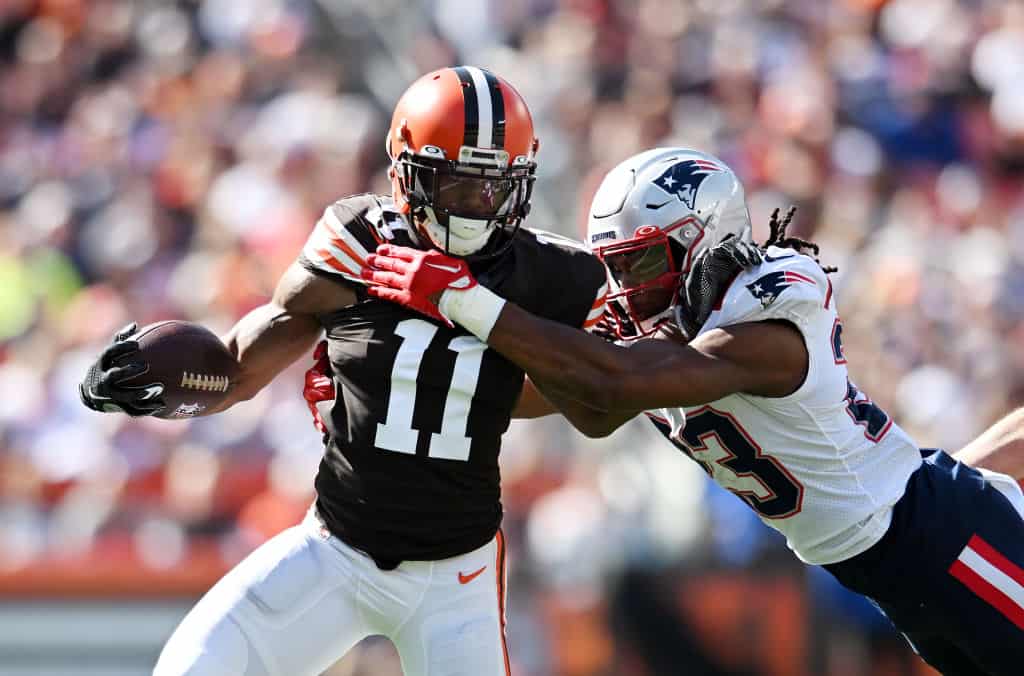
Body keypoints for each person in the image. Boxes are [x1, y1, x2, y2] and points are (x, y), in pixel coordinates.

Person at [363, 147, 1024, 675]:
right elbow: (587, 405)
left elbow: (615, 383)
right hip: (892, 567)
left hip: (936, 538)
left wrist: (468, 301)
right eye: (616, 267)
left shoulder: (765, 313)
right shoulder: (659, 341)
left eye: (643, 261)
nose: (626, 286)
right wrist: (426, 373)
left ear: (704, 236)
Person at [78, 66, 607, 676]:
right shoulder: (361, 239)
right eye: (456, 185)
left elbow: (599, 394)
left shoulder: (556, 276)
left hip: (455, 580)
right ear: (404, 171)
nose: (474, 207)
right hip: (337, 550)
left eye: (492, 187)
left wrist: (477, 362)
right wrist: (159, 384)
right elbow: (238, 366)